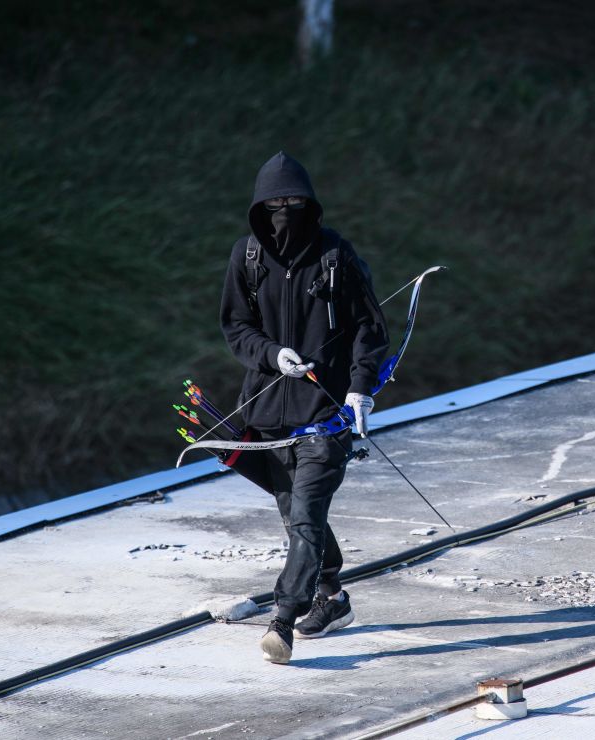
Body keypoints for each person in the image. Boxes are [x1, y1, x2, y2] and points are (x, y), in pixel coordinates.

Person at [219, 151, 390, 663]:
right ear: (258, 207)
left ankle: (283, 619)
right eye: (274, 202)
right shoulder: (245, 258)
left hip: (327, 415)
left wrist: (361, 388)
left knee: (307, 516)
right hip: (265, 417)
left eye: (294, 201)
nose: (285, 210)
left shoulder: (336, 254)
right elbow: (235, 328)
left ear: (310, 203)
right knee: (298, 519)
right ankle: (332, 599)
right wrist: (273, 355)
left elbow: (370, 329)